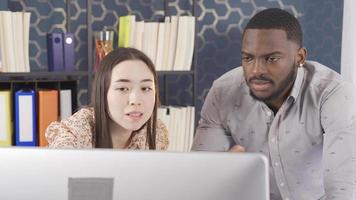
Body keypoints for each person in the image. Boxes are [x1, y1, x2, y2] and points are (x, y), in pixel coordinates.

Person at [192, 8, 356, 200]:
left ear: (300, 57)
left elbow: (342, 191)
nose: (256, 71)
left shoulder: (333, 94)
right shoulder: (223, 92)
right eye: (248, 58)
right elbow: (199, 179)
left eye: (271, 59)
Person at [46, 47, 169, 150]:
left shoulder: (157, 132)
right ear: (103, 92)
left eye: (146, 88)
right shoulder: (79, 129)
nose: (135, 100)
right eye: (123, 89)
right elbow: (58, 167)